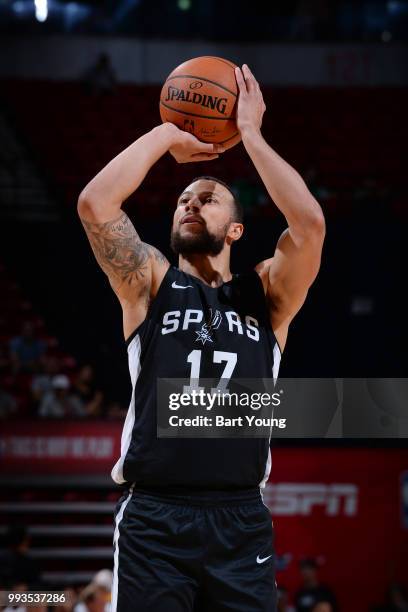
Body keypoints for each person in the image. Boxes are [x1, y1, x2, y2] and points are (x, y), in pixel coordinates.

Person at [78, 64, 325, 612]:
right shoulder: (148, 283)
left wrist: (251, 135)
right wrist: (168, 134)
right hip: (155, 517)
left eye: (207, 198)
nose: (191, 203)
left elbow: (309, 225)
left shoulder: (266, 293)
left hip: (240, 519)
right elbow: (96, 205)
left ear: (236, 229)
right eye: (183, 199)